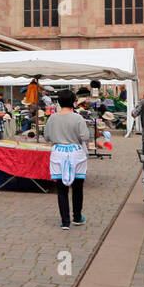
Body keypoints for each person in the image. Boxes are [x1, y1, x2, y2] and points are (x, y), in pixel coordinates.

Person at [45, 89, 90, 230]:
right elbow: (85, 137)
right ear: (74, 102)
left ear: (58, 102)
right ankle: (77, 217)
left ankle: (65, 221)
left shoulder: (52, 118)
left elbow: (47, 137)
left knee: (61, 189)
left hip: (58, 152)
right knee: (77, 187)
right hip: (76, 153)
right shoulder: (78, 118)